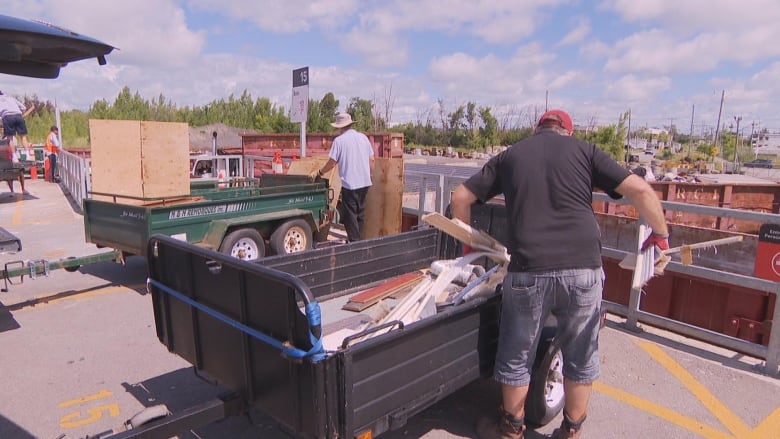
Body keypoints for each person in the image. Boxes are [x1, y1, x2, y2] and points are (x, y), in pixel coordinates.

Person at [451, 109, 669, 439]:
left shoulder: (512, 155)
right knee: (580, 354)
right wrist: (661, 236)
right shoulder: (586, 151)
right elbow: (640, 190)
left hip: (528, 269)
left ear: (537, 129)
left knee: (516, 354)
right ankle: (571, 432)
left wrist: (470, 248)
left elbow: (460, 197)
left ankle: (510, 431)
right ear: (568, 131)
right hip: (583, 269)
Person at [317, 112, 375, 242]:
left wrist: (320, 172)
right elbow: (372, 160)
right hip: (365, 183)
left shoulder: (339, 141)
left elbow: (332, 162)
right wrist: (369, 175)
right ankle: (358, 241)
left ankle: (355, 243)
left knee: (350, 215)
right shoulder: (363, 138)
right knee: (360, 214)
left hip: (350, 184)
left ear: (339, 127)